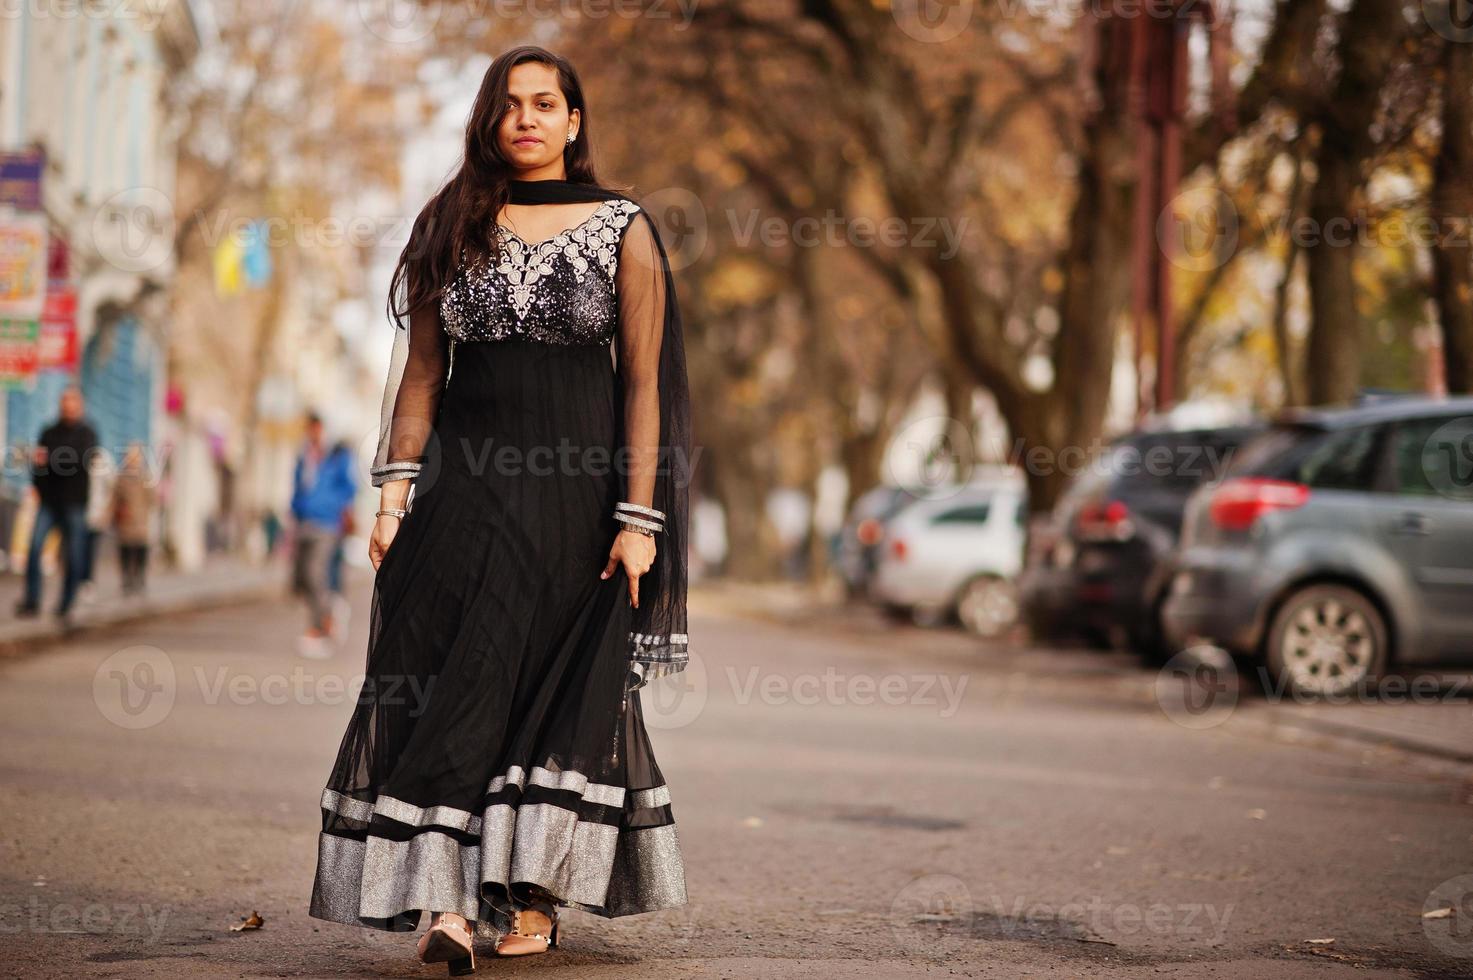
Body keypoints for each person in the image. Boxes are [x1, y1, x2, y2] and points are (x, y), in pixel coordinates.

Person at [308, 45, 694, 972]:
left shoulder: (622, 226)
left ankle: (529, 895)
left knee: (552, 696)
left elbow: (642, 383)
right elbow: (423, 372)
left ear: (572, 122)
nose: (526, 118)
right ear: (489, 121)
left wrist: (637, 522)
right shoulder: (451, 223)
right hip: (459, 499)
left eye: (544, 103)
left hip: (577, 508)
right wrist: (394, 495)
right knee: (450, 683)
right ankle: (440, 904)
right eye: (509, 105)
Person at [16, 385, 100, 627]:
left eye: (73, 401)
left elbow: (79, 459)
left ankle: (66, 604)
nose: (68, 405)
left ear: (80, 405)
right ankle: (32, 600)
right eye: (65, 400)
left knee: (73, 556)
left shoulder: (87, 433)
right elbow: (39, 465)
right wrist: (38, 480)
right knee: (33, 550)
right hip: (49, 502)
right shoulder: (49, 431)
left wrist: (50, 459)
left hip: (74, 504)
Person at [289, 413, 357, 658]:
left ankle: (321, 626)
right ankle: (330, 610)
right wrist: (295, 512)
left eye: (317, 428)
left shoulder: (337, 455)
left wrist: (334, 507)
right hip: (305, 522)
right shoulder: (303, 456)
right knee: (301, 579)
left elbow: (349, 487)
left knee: (315, 573)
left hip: (327, 523)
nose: (313, 433)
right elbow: (298, 487)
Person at [110, 442, 157, 596]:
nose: (133, 460)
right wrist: (111, 515)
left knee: (140, 550)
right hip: (126, 520)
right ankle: (127, 579)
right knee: (126, 550)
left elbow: (152, 498)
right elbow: (114, 499)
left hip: (141, 519)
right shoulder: (121, 478)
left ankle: (139, 578)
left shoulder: (145, 477)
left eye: (135, 457)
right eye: (130, 457)